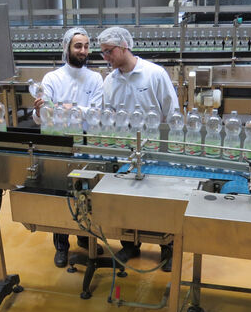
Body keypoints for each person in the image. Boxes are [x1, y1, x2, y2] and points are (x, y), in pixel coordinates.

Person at [97, 26, 179, 273]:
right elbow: (108, 115)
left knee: (161, 201)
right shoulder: (109, 81)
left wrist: (173, 149)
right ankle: (130, 244)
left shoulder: (154, 74)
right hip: (125, 150)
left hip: (156, 150)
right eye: (102, 53)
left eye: (109, 51)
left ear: (124, 47)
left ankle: (168, 247)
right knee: (127, 199)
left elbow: (172, 112)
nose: (106, 57)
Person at [33, 27, 103, 268]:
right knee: (61, 192)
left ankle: (85, 237)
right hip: (59, 145)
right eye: (78, 46)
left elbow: (96, 114)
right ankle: (61, 245)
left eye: (86, 46)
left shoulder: (95, 78)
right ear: (67, 48)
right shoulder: (52, 78)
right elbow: (42, 116)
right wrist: (41, 109)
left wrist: (65, 108)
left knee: (86, 192)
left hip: (85, 143)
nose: (83, 51)